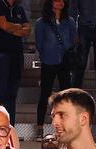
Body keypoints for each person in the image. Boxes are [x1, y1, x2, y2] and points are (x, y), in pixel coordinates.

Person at [34, 0, 78, 128]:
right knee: (44, 94)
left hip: (64, 61)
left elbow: (74, 39)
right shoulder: (41, 23)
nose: (61, 2)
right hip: (48, 61)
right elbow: (39, 43)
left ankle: (68, 126)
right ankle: (40, 126)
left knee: (67, 94)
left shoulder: (69, 21)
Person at [0, 0, 29, 124]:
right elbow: (3, 25)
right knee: (1, 92)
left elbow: (27, 30)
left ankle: (10, 125)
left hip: (16, 54)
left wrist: (11, 28)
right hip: (1, 54)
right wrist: (17, 27)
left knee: (12, 92)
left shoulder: (19, 9)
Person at [72, 0, 96, 106]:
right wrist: (73, 30)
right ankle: (75, 94)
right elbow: (73, 9)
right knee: (81, 62)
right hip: (84, 27)